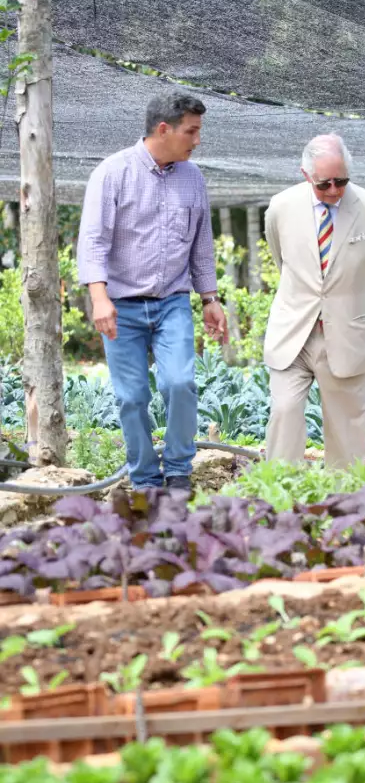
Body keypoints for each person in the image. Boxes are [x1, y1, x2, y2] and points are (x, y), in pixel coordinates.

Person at [77, 92, 228, 492]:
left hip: (172, 303)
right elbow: (93, 241)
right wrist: (99, 298)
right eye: (191, 131)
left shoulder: (193, 178)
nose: (197, 140)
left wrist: (210, 300)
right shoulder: (112, 174)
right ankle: (145, 479)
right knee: (131, 397)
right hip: (121, 306)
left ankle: (178, 471)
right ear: (164, 129)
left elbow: (201, 244)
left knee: (179, 383)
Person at [263, 133, 365, 468]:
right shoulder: (280, 208)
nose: (335, 190)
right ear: (306, 175)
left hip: (347, 333)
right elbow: (283, 261)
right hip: (293, 332)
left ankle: (345, 507)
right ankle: (281, 499)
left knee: (346, 430)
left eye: (342, 181)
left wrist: (343, 301)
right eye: (325, 184)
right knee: (283, 412)